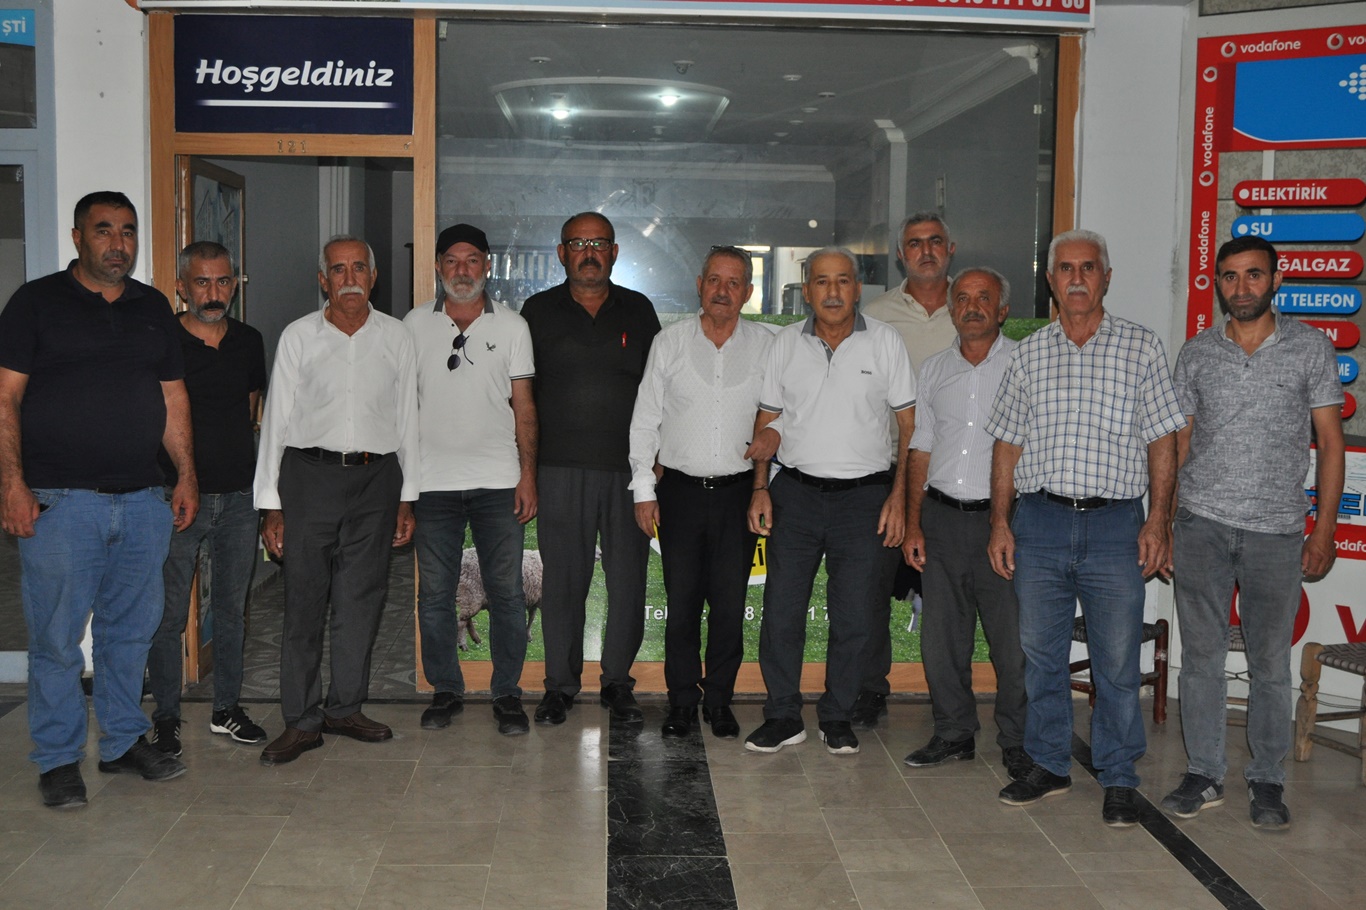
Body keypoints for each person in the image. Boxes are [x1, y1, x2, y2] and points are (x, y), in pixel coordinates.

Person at [0, 191, 194, 809]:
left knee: (129, 633)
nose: (118, 243)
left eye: (128, 231)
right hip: (61, 502)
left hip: (143, 500)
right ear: (78, 237)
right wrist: (11, 484)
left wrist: (186, 474)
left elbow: (173, 397)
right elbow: (5, 398)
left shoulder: (152, 306)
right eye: (104, 230)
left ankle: (122, 742)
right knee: (57, 641)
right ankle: (58, 759)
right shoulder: (35, 303)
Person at [986, 229, 1185, 827]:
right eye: (1066, 268)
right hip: (1040, 522)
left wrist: (1159, 520)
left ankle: (1118, 775)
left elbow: (1163, 440)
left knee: (1116, 661)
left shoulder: (1141, 348)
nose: (1077, 278)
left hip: (1115, 526)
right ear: (1051, 280)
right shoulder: (1029, 353)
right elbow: (1007, 445)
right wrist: (1000, 523)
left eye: (1088, 267)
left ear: (1106, 278)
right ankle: (1048, 764)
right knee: (1040, 656)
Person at [1161, 236, 1344, 829]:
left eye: (1254, 275)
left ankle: (1267, 779)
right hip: (1201, 526)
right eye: (1230, 276)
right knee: (1202, 659)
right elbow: (1180, 442)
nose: (1241, 288)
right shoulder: (1196, 353)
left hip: (1277, 532)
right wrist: (1165, 521)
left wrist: (1323, 530)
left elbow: (1330, 443)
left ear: (1276, 280)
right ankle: (1204, 772)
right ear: (1218, 283)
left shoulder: (1310, 348)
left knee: (1269, 664)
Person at [253, 235, 420, 765]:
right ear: (323, 280)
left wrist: (407, 497)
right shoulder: (298, 337)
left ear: (374, 276)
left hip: (377, 481)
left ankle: (345, 707)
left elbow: (408, 420)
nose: (350, 279)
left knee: (361, 600)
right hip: (309, 479)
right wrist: (271, 505)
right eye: (338, 269)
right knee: (303, 602)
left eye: (358, 268)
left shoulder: (397, 337)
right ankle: (302, 720)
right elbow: (275, 422)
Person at [744, 247, 915, 756]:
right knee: (781, 612)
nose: (833, 291)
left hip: (865, 499)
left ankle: (837, 715)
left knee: (855, 616)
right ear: (807, 290)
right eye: (822, 281)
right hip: (794, 495)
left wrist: (899, 496)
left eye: (843, 281)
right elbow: (768, 421)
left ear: (858, 288)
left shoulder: (885, 341)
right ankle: (782, 715)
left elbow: (910, 427)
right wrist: (760, 486)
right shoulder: (785, 344)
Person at [520, 212, 661, 725]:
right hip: (559, 471)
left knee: (628, 583)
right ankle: (559, 686)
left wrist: (655, 467)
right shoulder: (536, 312)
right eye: (578, 243)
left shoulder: (639, 310)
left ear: (614, 252)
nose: (589, 253)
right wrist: (527, 472)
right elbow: (521, 396)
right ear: (562, 253)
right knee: (562, 584)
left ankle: (618, 683)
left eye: (599, 244)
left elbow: (659, 391)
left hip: (628, 474)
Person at [629, 245, 772, 739]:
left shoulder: (768, 346)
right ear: (699, 285)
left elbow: (781, 414)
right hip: (680, 495)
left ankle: (720, 702)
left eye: (734, 283)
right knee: (683, 605)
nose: (722, 291)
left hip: (739, 495)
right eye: (715, 280)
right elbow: (645, 421)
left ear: (748, 292)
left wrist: (764, 484)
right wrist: (643, 490)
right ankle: (682, 702)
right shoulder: (668, 343)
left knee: (730, 606)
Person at [405, 223, 538, 736]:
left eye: (472, 260)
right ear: (438, 266)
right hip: (431, 485)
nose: (462, 271)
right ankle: (445, 689)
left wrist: (527, 476)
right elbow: (401, 409)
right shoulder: (412, 325)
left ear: (487, 264)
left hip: (498, 483)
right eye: (452, 261)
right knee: (435, 596)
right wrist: (404, 487)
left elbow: (524, 407)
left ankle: (507, 693)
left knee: (506, 593)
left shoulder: (514, 327)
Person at [901, 268, 1028, 781]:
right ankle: (954, 733)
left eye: (984, 298)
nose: (972, 307)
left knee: (1012, 644)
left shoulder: (1026, 363)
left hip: (1006, 524)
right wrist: (913, 523)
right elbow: (920, 447)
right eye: (963, 299)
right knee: (942, 641)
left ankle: (1018, 741)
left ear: (1003, 310)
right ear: (952, 310)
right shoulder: (934, 369)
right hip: (941, 520)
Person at [146, 241, 268, 758]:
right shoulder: (162, 341)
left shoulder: (249, 341)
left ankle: (226, 709)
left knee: (233, 610)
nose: (213, 293)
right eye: (202, 282)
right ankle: (166, 717)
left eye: (223, 282)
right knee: (169, 613)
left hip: (239, 498)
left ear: (234, 285)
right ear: (181, 287)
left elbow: (250, 410)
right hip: (174, 497)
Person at [856, 212, 959, 729]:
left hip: (955, 478)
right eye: (915, 244)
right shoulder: (875, 316)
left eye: (935, 241)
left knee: (947, 598)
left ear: (950, 248)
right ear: (900, 255)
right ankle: (870, 688)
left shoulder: (972, 307)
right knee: (872, 590)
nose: (926, 251)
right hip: (890, 474)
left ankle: (953, 704)